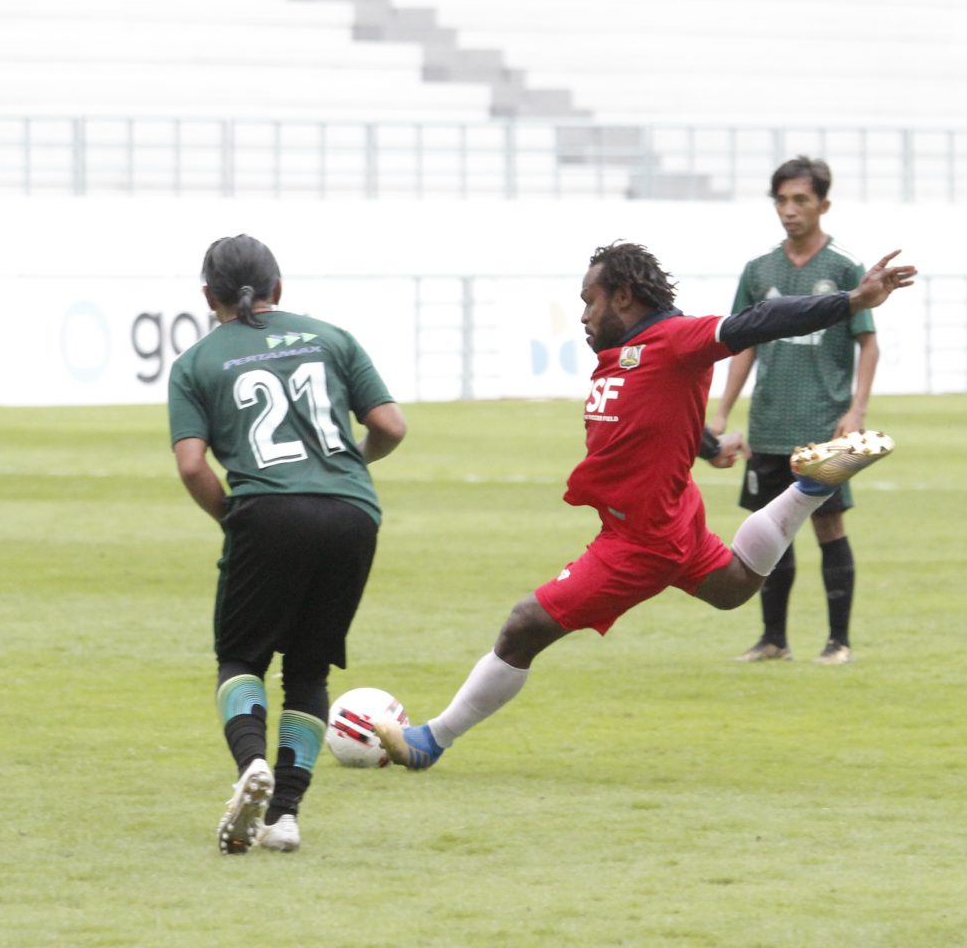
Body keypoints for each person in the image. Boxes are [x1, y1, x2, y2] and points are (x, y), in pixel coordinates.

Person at [372, 240, 916, 772]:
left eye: (590, 300)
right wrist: (706, 445)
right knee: (733, 587)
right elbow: (652, 414)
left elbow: (761, 319)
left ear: (624, 296)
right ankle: (810, 488)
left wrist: (850, 301)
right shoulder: (627, 356)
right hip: (672, 515)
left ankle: (430, 741)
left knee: (524, 625)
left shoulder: (676, 338)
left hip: (639, 541)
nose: (583, 314)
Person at [167, 234, 407, 855]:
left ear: (207, 297)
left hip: (266, 512)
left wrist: (234, 519)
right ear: (279, 288)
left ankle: (251, 764)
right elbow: (390, 425)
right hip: (353, 513)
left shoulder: (195, 363)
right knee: (308, 670)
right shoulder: (331, 337)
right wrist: (352, 464)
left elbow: (193, 465)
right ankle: (286, 817)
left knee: (240, 659)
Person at [708, 156, 877, 665]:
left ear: (823, 204)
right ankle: (773, 640)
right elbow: (743, 347)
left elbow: (868, 342)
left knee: (829, 527)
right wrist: (721, 413)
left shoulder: (845, 269)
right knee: (768, 532)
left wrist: (857, 411)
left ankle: (838, 642)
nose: (789, 210)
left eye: (800, 200)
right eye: (781, 200)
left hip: (822, 427)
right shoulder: (759, 271)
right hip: (769, 425)